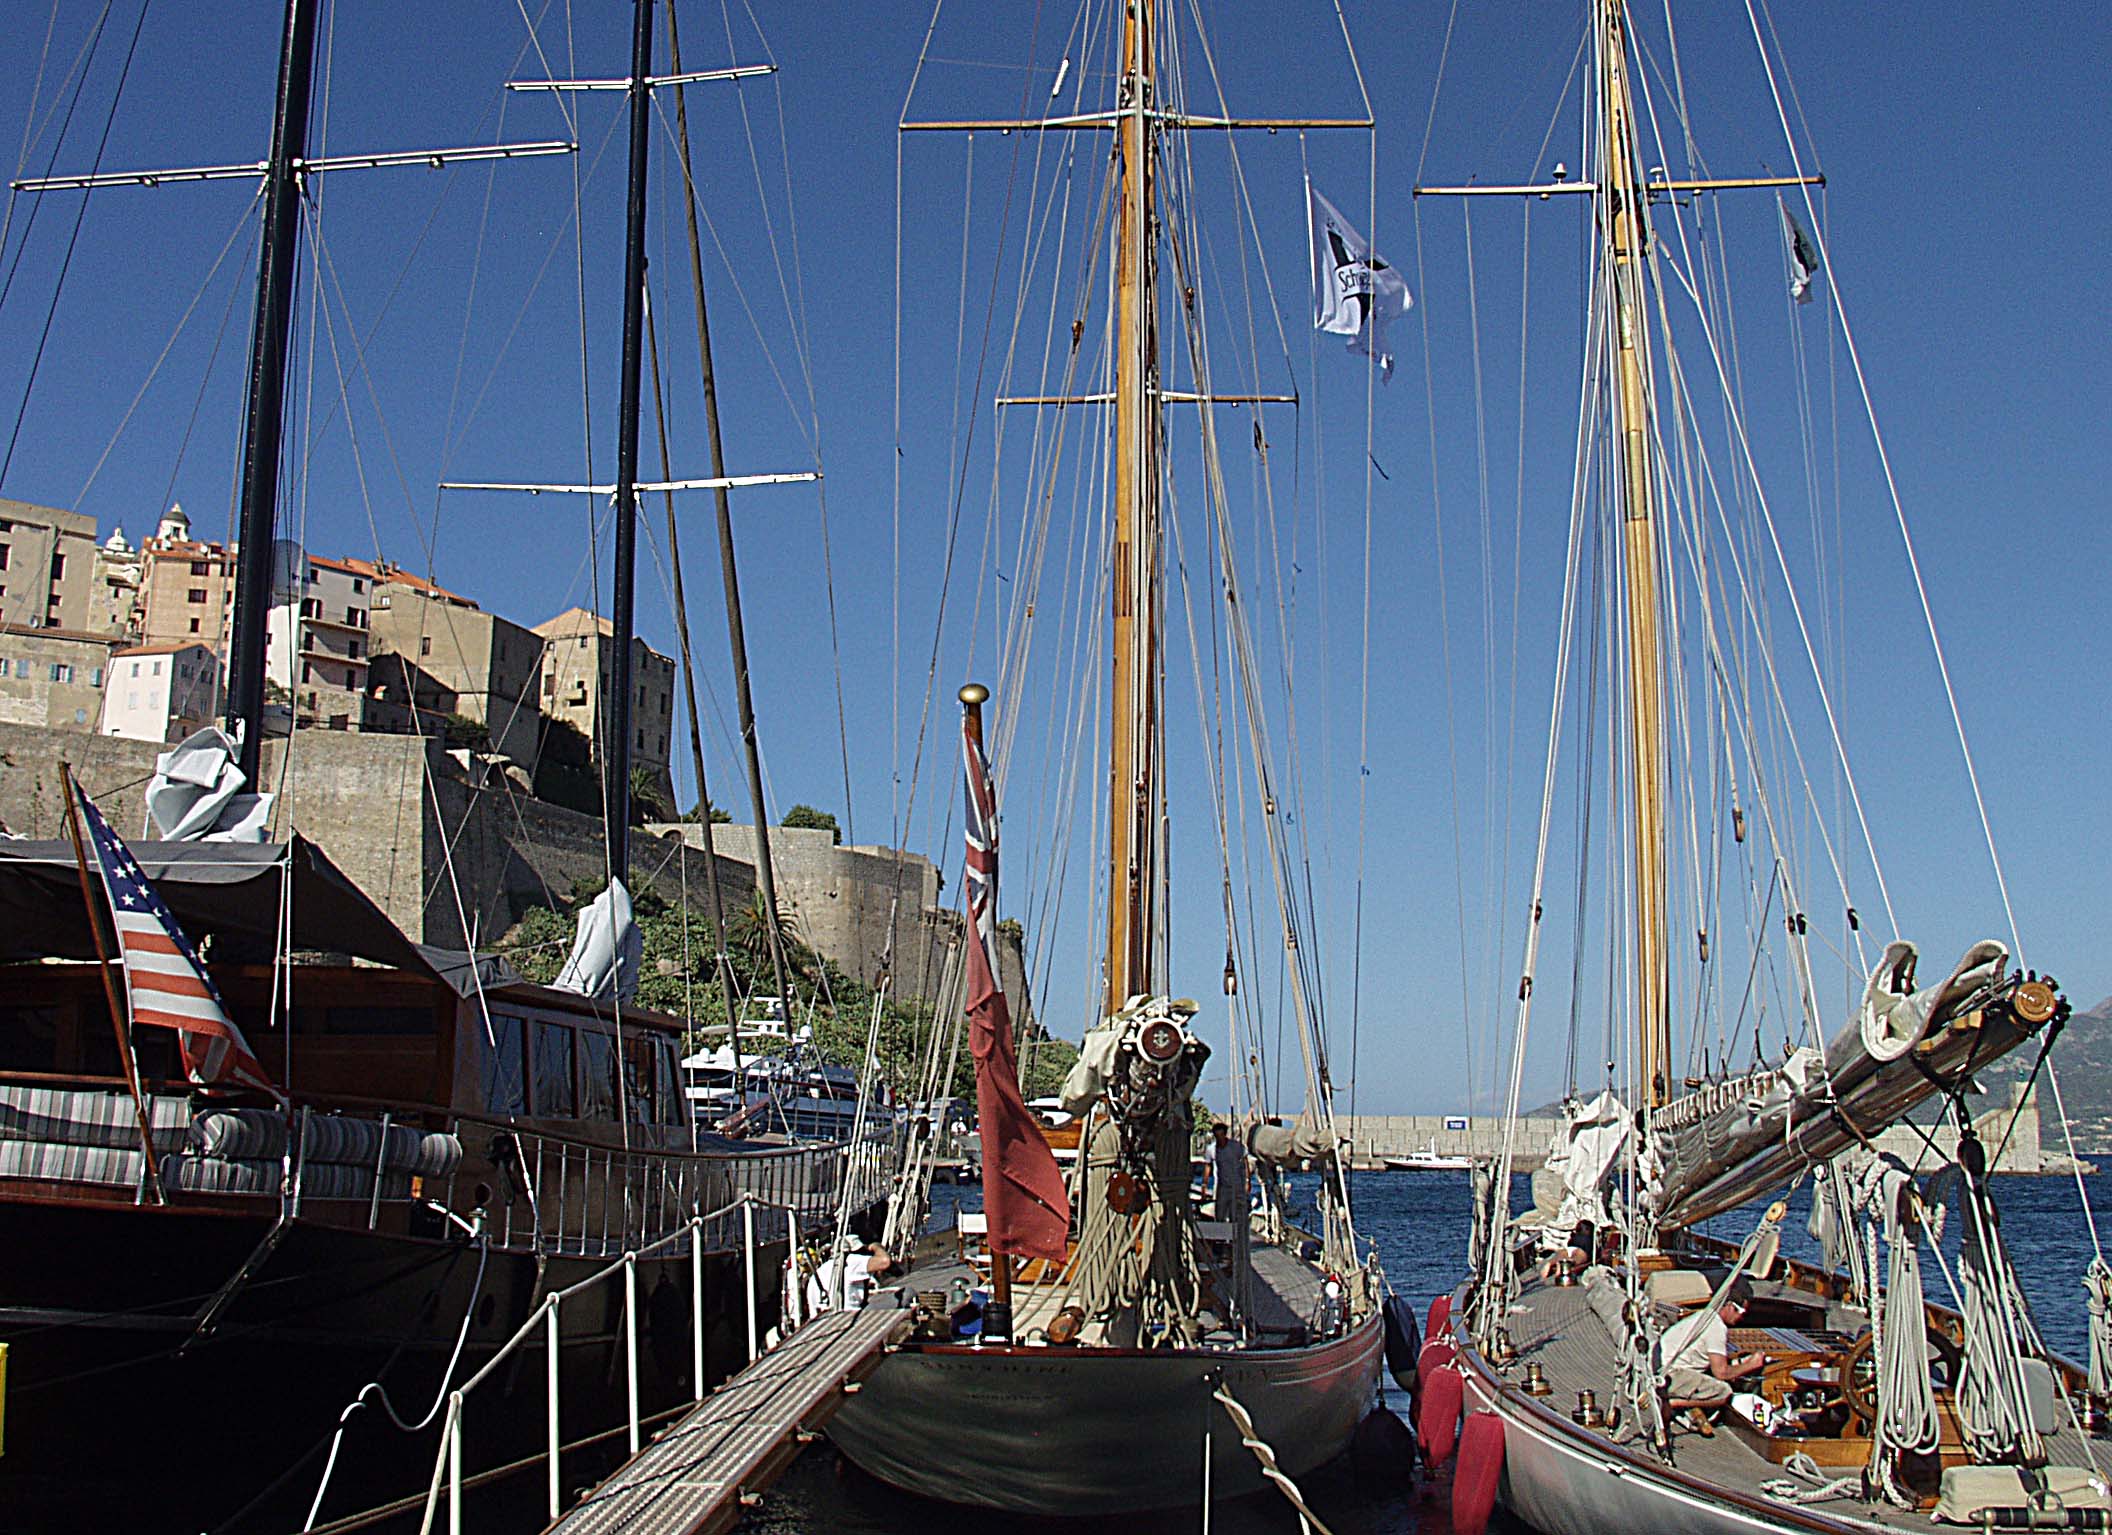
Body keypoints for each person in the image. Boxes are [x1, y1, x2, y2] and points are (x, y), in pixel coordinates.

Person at [1660, 1275, 1766, 1430]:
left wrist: (1739, 1364)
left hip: (1661, 1367)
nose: (1741, 1318)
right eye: (1741, 1313)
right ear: (1730, 1306)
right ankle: (1671, 1404)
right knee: (1724, 1392)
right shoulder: (1716, 1328)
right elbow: (1721, 1373)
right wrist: (1752, 1365)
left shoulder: (1706, 1315)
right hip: (1670, 1375)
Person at [1210, 1121, 1253, 1328]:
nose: (1219, 1138)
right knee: (1220, 1216)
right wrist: (1204, 1184)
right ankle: (1221, 1246)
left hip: (1235, 1184)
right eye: (1216, 1136)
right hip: (1222, 1187)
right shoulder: (1212, 1150)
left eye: (1221, 1135)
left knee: (1237, 1217)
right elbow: (1210, 1167)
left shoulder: (1235, 1147)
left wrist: (1247, 1181)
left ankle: (1236, 1243)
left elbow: (1244, 1162)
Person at [806, 1240, 895, 1314]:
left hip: (821, 1320)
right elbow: (884, 1261)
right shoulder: (850, 1261)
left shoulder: (818, 1272)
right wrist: (876, 1246)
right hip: (848, 1315)